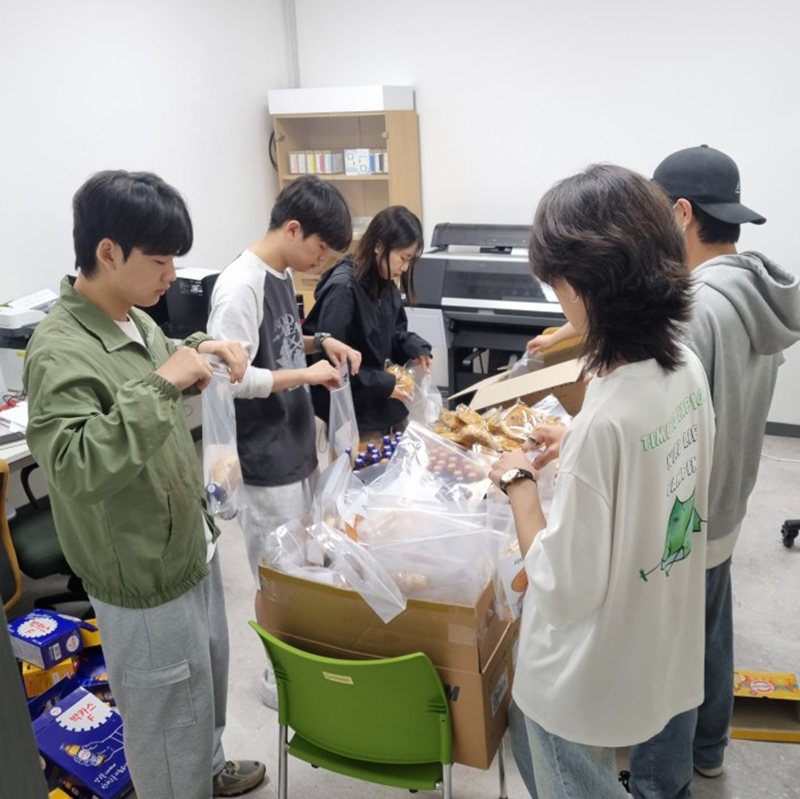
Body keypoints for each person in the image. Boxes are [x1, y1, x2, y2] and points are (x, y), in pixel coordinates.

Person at [23, 170, 265, 799]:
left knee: (203, 682)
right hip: (139, 568)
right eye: (159, 261)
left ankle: (208, 771)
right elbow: (74, 465)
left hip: (185, 541)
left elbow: (158, 359)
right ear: (108, 252)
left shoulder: (133, 318)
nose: (171, 276)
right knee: (165, 719)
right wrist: (163, 385)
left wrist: (201, 345)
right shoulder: (58, 349)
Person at [491, 164, 715, 799]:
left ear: (585, 288)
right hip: (652, 630)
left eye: (556, 284)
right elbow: (663, 467)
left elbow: (562, 588)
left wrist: (518, 483)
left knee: (564, 764)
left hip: (581, 667)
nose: (556, 298)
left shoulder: (604, 418)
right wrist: (576, 443)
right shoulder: (684, 367)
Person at [627, 145, 800, 799]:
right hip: (729, 500)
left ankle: (658, 781)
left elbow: (664, 427)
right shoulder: (756, 294)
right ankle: (708, 750)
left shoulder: (695, 308)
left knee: (667, 650)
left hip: (685, 511)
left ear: (681, 212)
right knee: (711, 622)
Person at [205, 175, 360, 704]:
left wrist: (323, 342)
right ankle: (280, 677)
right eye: (320, 249)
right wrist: (308, 375)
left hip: (295, 448)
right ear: (293, 229)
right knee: (276, 579)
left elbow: (279, 344)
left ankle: (303, 664)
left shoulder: (280, 273)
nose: (321, 261)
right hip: (264, 460)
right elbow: (231, 378)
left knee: (305, 567)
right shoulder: (240, 286)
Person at [302, 205, 432, 438]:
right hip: (357, 417)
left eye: (410, 261)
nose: (405, 268)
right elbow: (332, 363)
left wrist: (415, 347)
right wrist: (382, 383)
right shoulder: (343, 289)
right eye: (403, 258)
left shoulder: (385, 283)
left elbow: (392, 335)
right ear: (379, 246)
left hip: (387, 408)